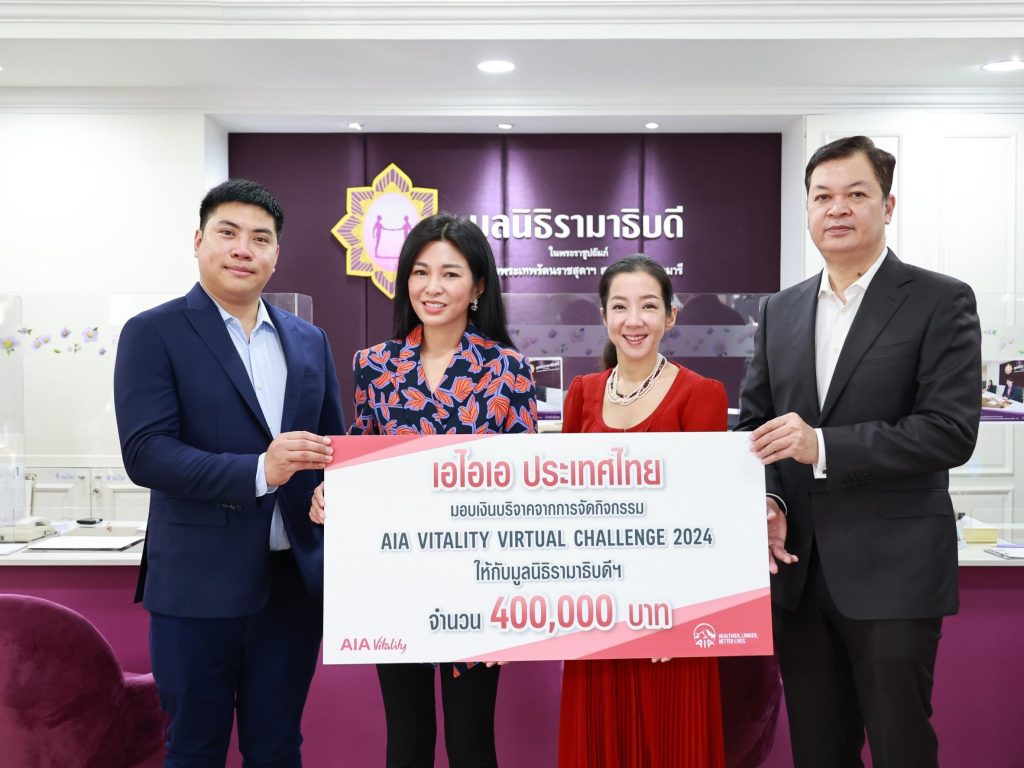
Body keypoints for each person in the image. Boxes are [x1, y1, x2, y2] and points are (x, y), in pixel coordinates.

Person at [736, 136, 981, 767]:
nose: (837, 208)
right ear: (808, 209)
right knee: (819, 751)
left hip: (895, 575)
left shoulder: (940, 300)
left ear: (888, 205)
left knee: (902, 748)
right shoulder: (780, 310)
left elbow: (949, 430)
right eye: (822, 197)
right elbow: (756, 425)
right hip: (799, 573)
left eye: (855, 194)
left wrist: (823, 445)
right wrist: (769, 497)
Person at [114, 179, 344, 767]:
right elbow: (146, 452)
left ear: (276, 254)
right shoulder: (153, 332)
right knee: (194, 749)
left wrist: (332, 491)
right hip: (196, 587)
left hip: (291, 589)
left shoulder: (309, 340)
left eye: (260, 238)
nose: (244, 248)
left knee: (277, 749)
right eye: (228, 232)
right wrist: (259, 470)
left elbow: (330, 450)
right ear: (198, 241)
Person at [309, 213, 537, 767]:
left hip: (479, 586)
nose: (432, 287)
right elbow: (362, 459)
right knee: (406, 741)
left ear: (477, 287)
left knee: (470, 743)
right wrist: (330, 494)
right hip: (395, 581)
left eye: (450, 274)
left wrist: (516, 609)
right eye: (420, 272)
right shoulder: (375, 366)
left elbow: (526, 493)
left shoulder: (508, 370)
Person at [557, 254, 728, 768]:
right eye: (620, 307)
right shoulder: (582, 393)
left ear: (670, 316)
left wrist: (680, 613)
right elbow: (564, 508)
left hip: (671, 619)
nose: (634, 320)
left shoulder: (702, 394)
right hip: (599, 612)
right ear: (604, 316)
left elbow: (709, 518)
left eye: (649, 306)